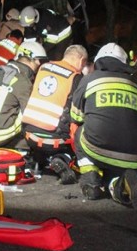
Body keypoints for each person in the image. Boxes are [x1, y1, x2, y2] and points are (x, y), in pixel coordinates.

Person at [70, 43, 137, 210]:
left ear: (98, 62)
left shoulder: (89, 80)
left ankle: (91, 178)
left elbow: (75, 116)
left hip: (99, 149)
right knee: (116, 170)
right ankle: (120, 185)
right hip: (136, 156)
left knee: (79, 130)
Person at [22, 44, 88, 184]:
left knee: (42, 140)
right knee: (79, 127)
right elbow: (77, 112)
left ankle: (37, 160)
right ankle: (63, 158)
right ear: (81, 60)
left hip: (29, 135)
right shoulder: (76, 78)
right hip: (54, 141)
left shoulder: (44, 67)